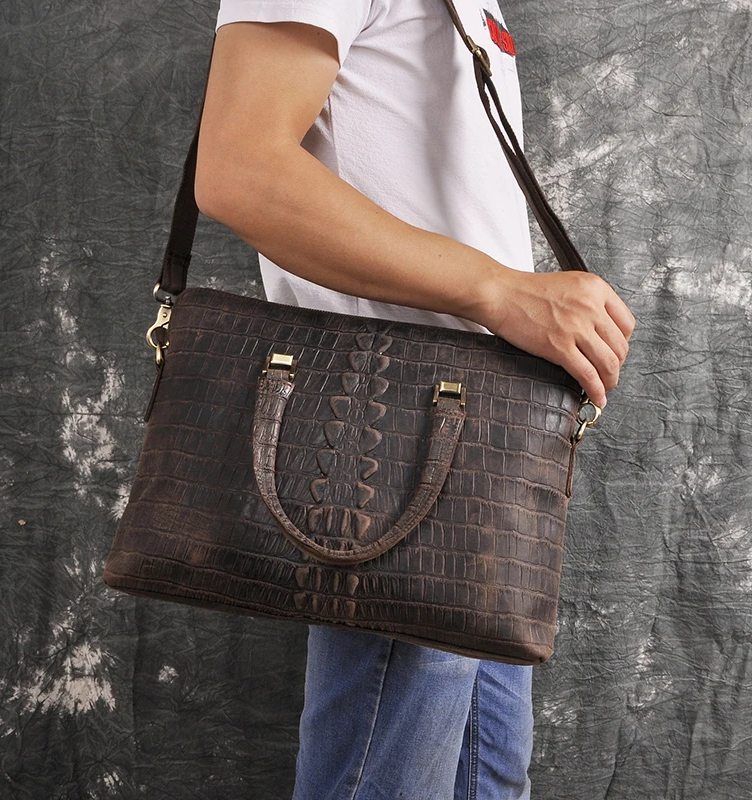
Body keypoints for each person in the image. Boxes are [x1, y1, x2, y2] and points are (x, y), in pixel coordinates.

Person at [194, 2, 635, 798]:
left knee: (484, 779)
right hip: (388, 439)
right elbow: (240, 169)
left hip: (478, 444)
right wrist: (502, 291)